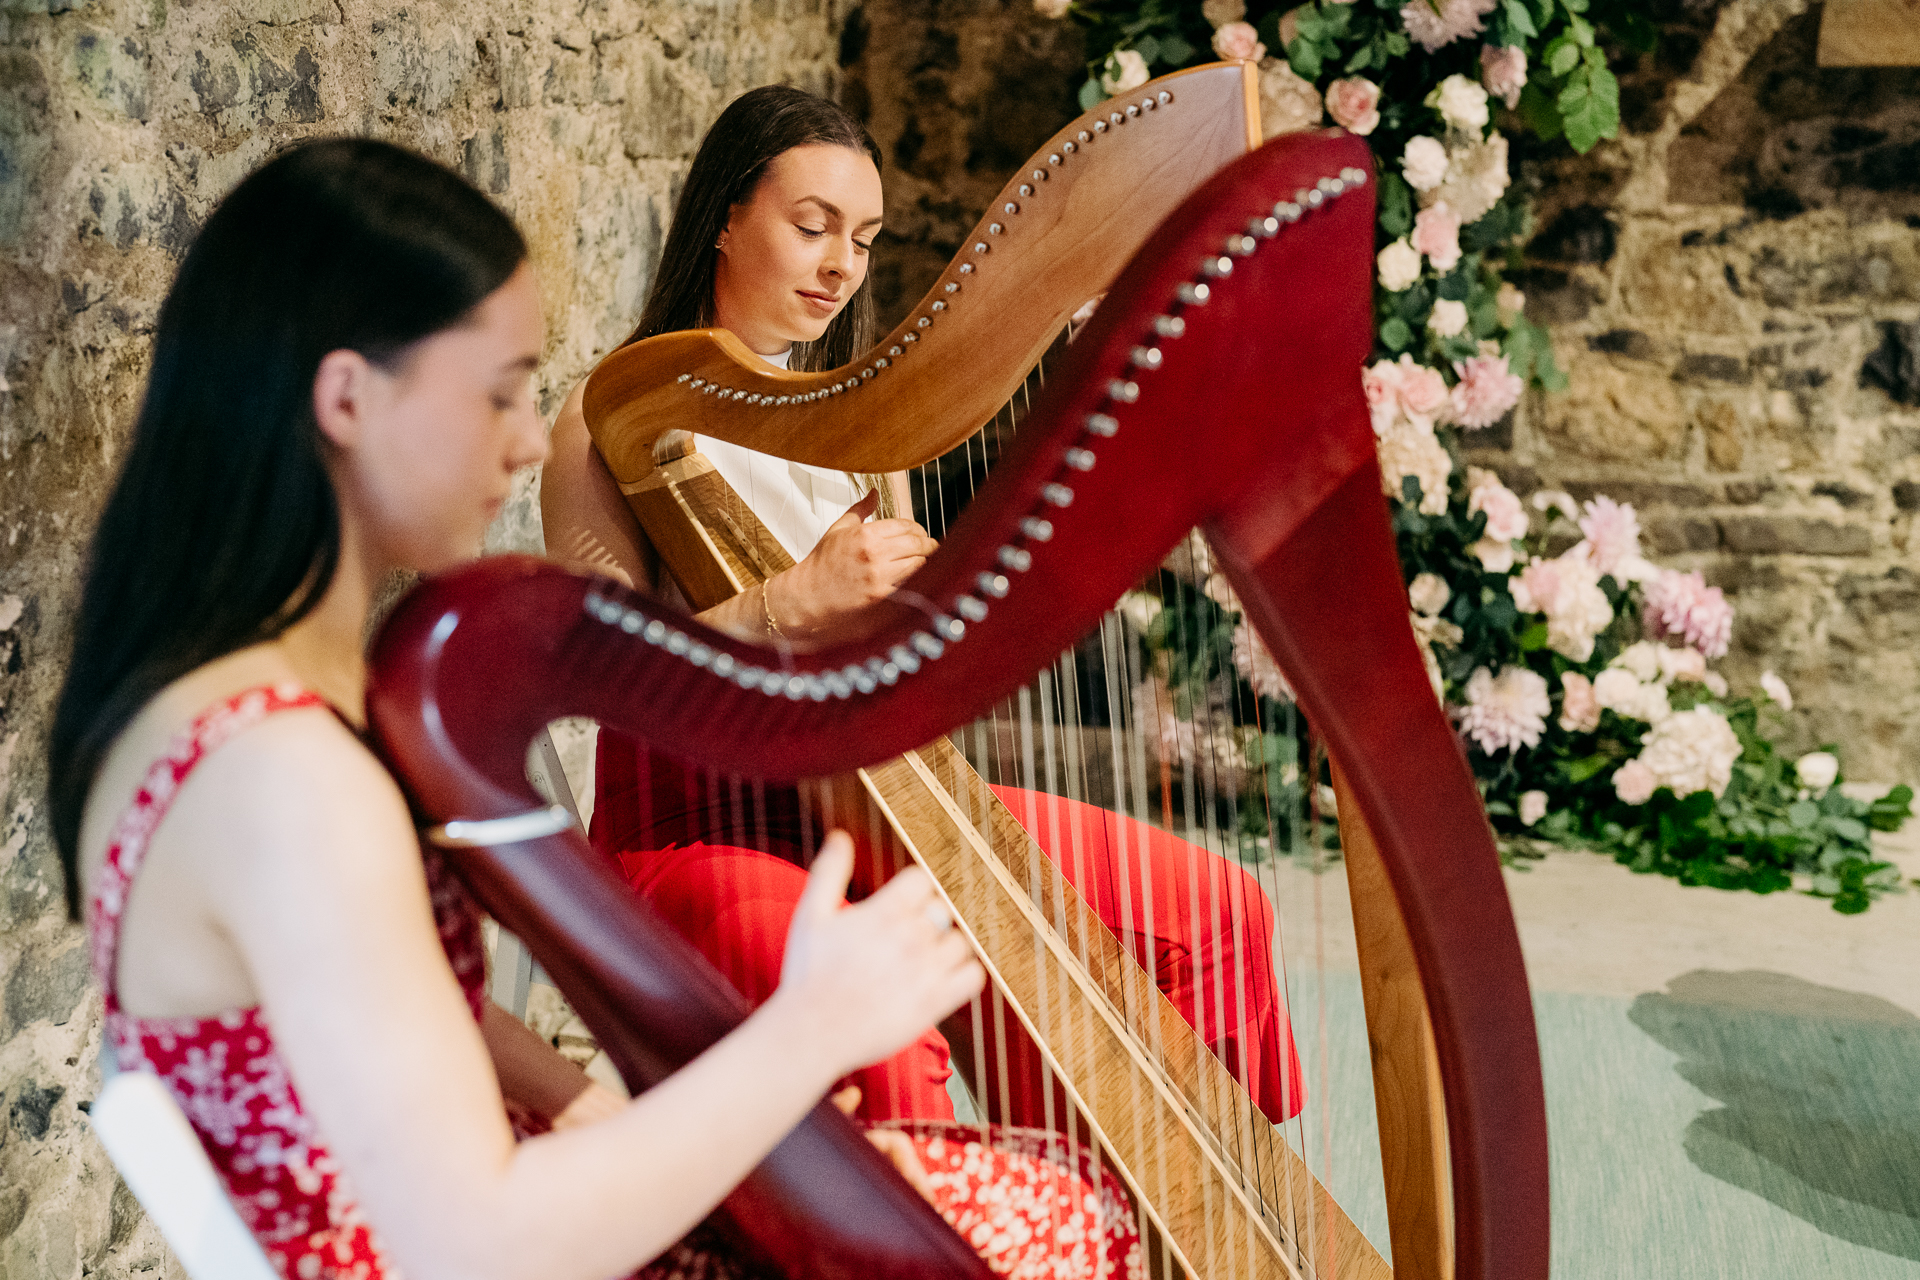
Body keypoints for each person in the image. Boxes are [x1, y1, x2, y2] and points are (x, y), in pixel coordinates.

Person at [48, 138, 1142, 1280]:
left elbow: (425, 1021)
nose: (528, 441)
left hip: (488, 1208)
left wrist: (602, 1112)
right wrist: (812, 1024)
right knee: (1054, 1213)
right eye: (499, 392)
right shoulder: (286, 776)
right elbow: (484, 1238)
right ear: (346, 396)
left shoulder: (216, 697)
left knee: (997, 1191)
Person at [541, 85, 1302, 1130]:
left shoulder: (858, 434)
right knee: (887, 1042)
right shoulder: (606, 423)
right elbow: (597, 679)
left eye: (862, 238)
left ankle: (1158, 1215)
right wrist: (787, 600)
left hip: (877, 808)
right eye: (811, 227)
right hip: (698, 824)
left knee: (1222, 911)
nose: (841, 265)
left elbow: (907, 677)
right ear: (724, 216)